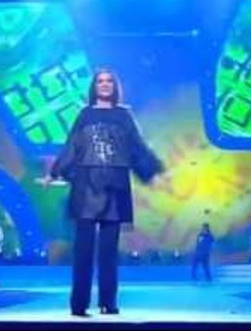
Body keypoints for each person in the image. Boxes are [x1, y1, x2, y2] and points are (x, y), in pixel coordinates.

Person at [41, 68, 164, 317]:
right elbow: (72, 146)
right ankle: (79, 305)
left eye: (109, 81)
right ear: (94, 86)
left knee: (109, 251)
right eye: (100, 81)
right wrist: (53, 173)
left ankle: (108, 302)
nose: (105, 84)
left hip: (115, 186)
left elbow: (137, 146)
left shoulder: (124, 115)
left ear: (114, 86)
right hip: (86, 185)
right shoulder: (85, 114)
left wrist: (152, 172)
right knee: (83, 251)